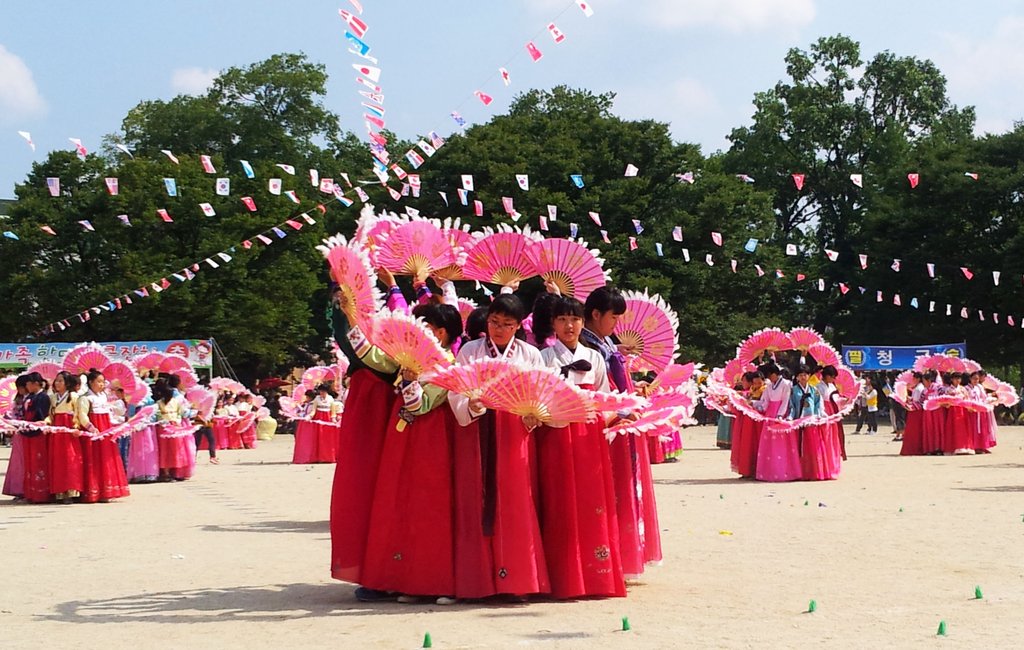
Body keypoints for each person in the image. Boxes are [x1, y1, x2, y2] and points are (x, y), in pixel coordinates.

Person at [448, 293, 550, 600]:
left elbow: (541, 390)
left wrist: (536, 413)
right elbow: (456, 390)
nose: (499, 329)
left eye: (507, 324)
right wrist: (473, 404)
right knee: (474, 499)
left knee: (516, 501)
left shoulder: (530, 354)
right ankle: (476, 582)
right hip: (477, 430)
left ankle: (517, 580)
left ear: (519, 326)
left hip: (514, 432)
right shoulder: (470, 350)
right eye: (494, 322)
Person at [361, 302, 463, 604]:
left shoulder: (447, 365)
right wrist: (353, 314)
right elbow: (371, 355)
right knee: (404, 504)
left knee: (433, 507)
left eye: (424, 326)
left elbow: (421, 405)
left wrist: (408, 380)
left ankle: (439, 582)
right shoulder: (410, 360)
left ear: (440, 333)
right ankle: (410, 579)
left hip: (433, 441)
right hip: (405, 438)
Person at [535, 296, 625, 598]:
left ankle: (595, 574)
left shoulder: (596, 357)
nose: (569, 325)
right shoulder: (544, 358)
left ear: (583, 322)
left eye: (574, 319)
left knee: (591, 501)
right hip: (556, 434)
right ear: (553, 324)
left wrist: (618, 416)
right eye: (562, 319)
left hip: (588, 434)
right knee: (559, 499)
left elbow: (603, 397)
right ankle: (562, 576)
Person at [580, 285, 661, 577]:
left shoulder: (606, 345)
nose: (616, 324)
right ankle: (610, 558)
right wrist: (625, 406)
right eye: (613, 317)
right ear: (595, 314)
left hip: (622, 419)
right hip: (607, 423)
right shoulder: (587, 347)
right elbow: (599, 393)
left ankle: (624, 557)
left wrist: (634, 392)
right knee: (609, 492)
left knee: (624, 489)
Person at [328, 285, 400, 594]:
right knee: (368, 487)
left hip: (403, 401)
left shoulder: (401, 311)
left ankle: (403, 568)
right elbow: (353, 347)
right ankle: (375, 571)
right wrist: (344, 310)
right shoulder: (348, 322)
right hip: (372, 403)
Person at [76, 369, 130, 503]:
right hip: (94, 431)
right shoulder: (85, 398)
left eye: (102, 382)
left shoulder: (104, 396)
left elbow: (109, 414)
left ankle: (106, 490)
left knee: (107, 458)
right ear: (90, 382)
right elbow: (82, 415)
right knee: (93, 459)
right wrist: (91, 427)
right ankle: (93, 491)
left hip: (105, 430)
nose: (101, 384)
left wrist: (120, 422)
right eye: (98, 382)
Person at [792, 365, 840, 480]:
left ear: (809, 376)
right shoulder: (793, 390)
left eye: (805, 375)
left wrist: (821, 416)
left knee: (814, 447)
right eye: (800, 375)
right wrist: (790, 417)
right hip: (799, 422)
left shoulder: (814, 390)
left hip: (812, 422)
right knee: (800, 447)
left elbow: (819, 405)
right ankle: (801, 472)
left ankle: (815, 472)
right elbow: (792, 406)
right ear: (797, 377)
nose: (803, 377)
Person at [754, 363, 800, 482]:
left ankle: (785, 471)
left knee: (782, 444)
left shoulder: (786, 384)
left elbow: (786, 400)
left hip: (781, 413)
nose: (769, 378)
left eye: (770, 376)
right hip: (770, 414)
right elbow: (765, 401)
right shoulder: (769, 386)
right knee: (769, 445)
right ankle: (768, 471)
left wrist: (780, 415)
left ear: (775, 374)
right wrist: (755, 405)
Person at [49, 371, 84, 503]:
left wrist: (76, 426)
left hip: (69, 431)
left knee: (71, 459)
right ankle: (59, 491)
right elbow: (50, 415)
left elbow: (78, 414)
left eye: (60, 381)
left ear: (67, 383)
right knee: (57, 460)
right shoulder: (53, 398)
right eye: (56, 380)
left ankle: (71, 490)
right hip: (57, 432)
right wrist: (46, 423)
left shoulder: (74, 396)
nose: (57, 383)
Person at [154, 377, 197, 480]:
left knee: (169, 449)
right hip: (170, 426)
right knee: (174, 449)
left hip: (168, 426)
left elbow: (181, 413)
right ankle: (171, 472)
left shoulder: (161, 402)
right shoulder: (170, 401)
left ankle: (170, 471)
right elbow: (183, 413)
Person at [21, 372, 52, 503]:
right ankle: (30, 492)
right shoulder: (30, 397)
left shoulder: (43, 397)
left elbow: (41, 414)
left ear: (35, 384)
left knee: (39, 461)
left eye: (28, 383)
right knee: (29, 462)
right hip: (28, 432)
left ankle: (41, 494)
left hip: (38, 432)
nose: (27, 386)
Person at [730, 371, 764, 478]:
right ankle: (746, 470)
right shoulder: (750, 391)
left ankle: (754, 470)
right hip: (747, 421)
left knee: (753, 445)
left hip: (756, 422)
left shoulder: (764, 390)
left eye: (744, 380)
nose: (756, 385)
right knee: (745, 445)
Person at [2, 375, 30, 500]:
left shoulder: (31, 398)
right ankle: (17, 489)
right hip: (19, 434)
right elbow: (14, 413)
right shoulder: (18, 400)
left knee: (27, 461)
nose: (20, 390)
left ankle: (27, 489)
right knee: (18, 463)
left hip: (28, 432)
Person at [899, 373, 925, 456]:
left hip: (915, 411)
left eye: (914, 378)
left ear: (917, 379)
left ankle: (913, 449)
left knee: (914, 431)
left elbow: (917, 401)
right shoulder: (918, 388)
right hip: (916, 410)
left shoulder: (918, 389)